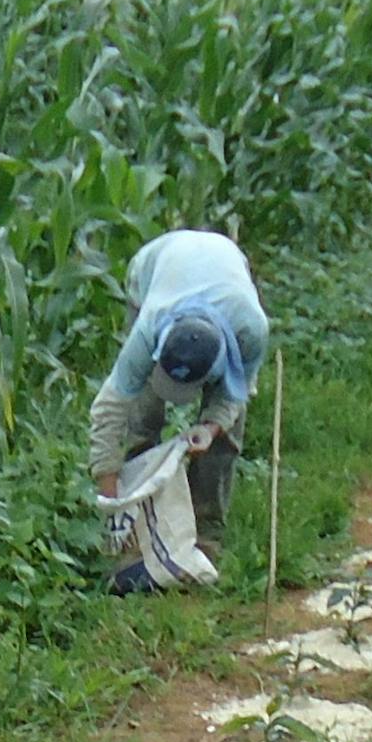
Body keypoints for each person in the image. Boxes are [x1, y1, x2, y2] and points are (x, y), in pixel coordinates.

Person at [89, 229, 269, 589]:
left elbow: (236, 394)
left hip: (224, 268)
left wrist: (212, 427)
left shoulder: (251, 329)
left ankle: (206, 536)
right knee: (143, 419)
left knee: (225, 441)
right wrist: (111, 503)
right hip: (155, 268)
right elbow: (109, 410)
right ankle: (137, 532)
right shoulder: (150, 327)